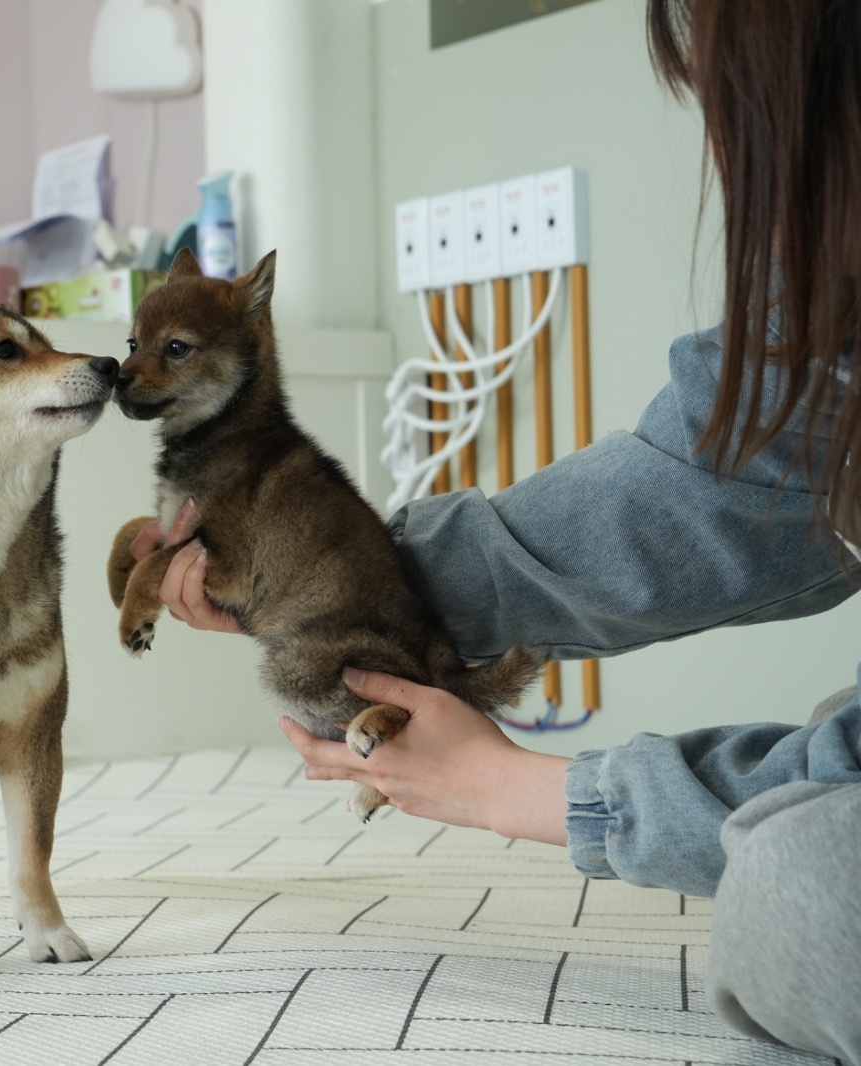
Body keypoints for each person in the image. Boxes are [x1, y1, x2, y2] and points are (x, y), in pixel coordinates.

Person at [126, 2, 861, 1062]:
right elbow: (715, 488)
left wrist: (541, 793)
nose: (718, 150)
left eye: (735, 112)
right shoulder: (825, 324)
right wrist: (337, 590)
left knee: (796, 902)